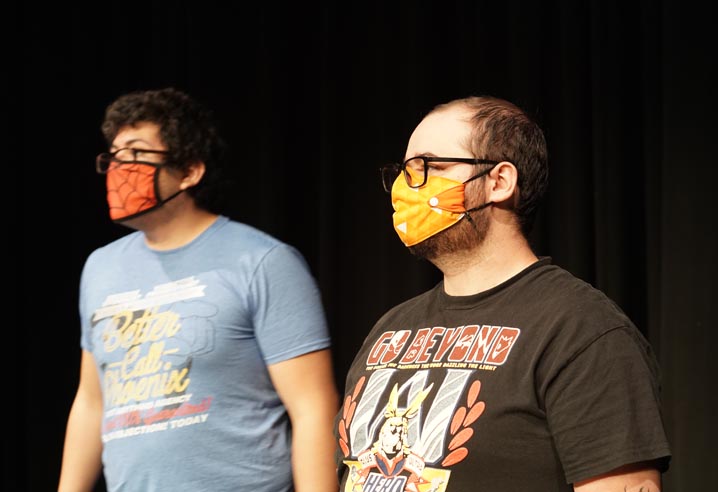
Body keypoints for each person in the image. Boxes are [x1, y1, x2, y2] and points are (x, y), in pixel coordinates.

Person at [333, 95, 671, 491]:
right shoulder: (390, 329)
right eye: (405, 173)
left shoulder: (580, 329)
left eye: (430, 168)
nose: (409, 190)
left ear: (499, 181)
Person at [58, 87, 339, 492]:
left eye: (136, 154)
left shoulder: (263, 261)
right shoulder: (100, 267)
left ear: (190, 170)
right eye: (114, 156)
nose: (120, 168)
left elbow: (312, 405)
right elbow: (91, 401)